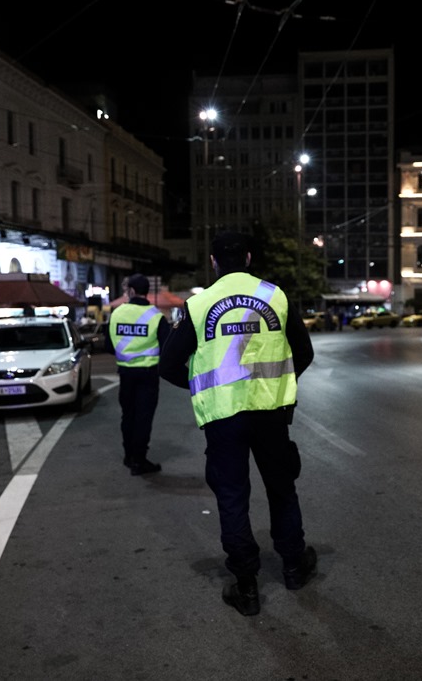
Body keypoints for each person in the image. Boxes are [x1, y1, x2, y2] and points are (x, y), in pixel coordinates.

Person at [159, 230, 317, 617]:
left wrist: (202, 386)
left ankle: (246, 586)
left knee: (232, 498)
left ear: (213, 262)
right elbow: (305, 352)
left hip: (223, 418)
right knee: (281, 489)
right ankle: (294, 567)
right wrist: (279, 384)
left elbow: (167, 365)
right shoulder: (274, 296)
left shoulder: (199, 306)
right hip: (270, 414)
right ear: (247, 257)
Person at [109, 273, 170, 476]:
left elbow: (109, 345)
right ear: (146, 292)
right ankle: (139, 460)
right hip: (148, 375)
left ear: (132, 291)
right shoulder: (156, 316)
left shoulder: (117, 313)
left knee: (128, 416)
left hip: (125, 374)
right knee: (143, 418)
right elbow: (167, 346)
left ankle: (128, 456)